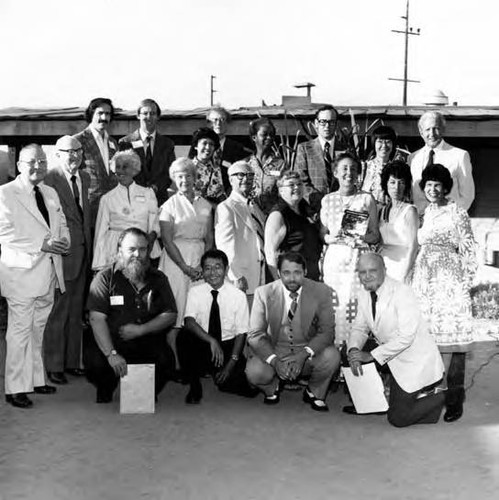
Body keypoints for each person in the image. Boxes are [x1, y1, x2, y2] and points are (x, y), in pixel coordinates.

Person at [0, 144, 70, 408]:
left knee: (37, 329)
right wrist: (43, 244)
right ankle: (15, 387)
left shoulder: (49, 191)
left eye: (42, 161)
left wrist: (64, 241)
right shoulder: (5, 194)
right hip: (20, 274)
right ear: (19, 165)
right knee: (19, 332)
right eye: (32, 162)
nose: (38, 166)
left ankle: (36, 379)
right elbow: (4, 231)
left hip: (49, 272)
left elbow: (61, 224)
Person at [345, 253, 445, 427]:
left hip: (412, 360)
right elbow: (360, 328)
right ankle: (372, 403)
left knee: (398, 419)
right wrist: (354, 351)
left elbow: (406, 337)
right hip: (389, 352)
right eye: (362, 272)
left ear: (385, 270)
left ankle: (445, 395)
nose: (367, 276)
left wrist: (370, 356)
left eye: (372, 271)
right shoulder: (364, 293)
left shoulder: (402, 293)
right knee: (347, 353)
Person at [412, 164, 478, 423]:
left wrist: (466, 282)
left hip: (450, 281)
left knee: (454, 340)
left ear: (446, 187)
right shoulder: (424, 213)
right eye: (428, 185)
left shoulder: (457, 212)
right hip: (425, 280)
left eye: (437, 185)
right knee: (428, 338)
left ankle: (453, 400)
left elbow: (469, 248)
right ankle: (430, 396)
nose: (432, 189)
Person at [84, 228, 177, 403]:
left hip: (146, 340)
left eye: (142, 249)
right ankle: (106, 387)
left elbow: (170, 314)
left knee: (166, 362)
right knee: (95, 361)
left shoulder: (159, 278)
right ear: (119, 251)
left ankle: (146, 389)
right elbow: (96, 318)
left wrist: (142, 329)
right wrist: (111, 354)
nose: (137, 254)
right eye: (131, 249)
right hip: (112, 343)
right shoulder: (104, 278)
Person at [246, 252, 340, 411]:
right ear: (278, 273)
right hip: (276, 351)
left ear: (305, 272)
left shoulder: (322, 291)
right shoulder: (263, 293)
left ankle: (314, 391)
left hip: (308, 353)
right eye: (286, 273)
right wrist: (275, 361)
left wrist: (303, 355)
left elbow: (327, 332)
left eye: (297, 272)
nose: (291, 278)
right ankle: (272, 388)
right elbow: (255, 335)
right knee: (254, 372)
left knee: (332, 356)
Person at [178, 249, 258, 404]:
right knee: (184, 336)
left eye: (217, 267)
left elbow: (242, 333)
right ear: (202, 271)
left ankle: (219, 372)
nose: (212, 272)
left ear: (226, 270)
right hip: (204, 343)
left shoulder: (238, 296)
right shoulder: (195, 292)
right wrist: (211, 341)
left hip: (228, 346)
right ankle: (195, 386)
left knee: (243, 389)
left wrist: (230, 365)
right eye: (207, 268)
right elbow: (189, 321)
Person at [43, 136, 92, 385]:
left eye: (77, 151)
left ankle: (73, 362)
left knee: (76, 311)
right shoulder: (49, 178)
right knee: (58, 311)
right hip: (62, 253)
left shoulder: (84, 177)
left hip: (83, 251)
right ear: (57, 154)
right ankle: (54, 365)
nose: (73, 155)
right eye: (67, 151)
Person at [159, 158, 214, 371]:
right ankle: (175, 365)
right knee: (176, 313)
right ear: (174, 179)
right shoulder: (169, 205)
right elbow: (166, 239)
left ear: (194, 177)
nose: (184, 180)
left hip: (199, 259)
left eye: (188, 175)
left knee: (198, 313)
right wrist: (184, 266)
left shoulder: (205, 204)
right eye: (179, 176)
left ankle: (197, 364)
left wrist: (203, 265)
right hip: (175, 262)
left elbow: (209, 237)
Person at [320, 152, 379, 344]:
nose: (349, 173)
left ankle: (353, 352)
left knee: (355, 305)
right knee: (335, 305)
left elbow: (376, 235)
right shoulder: (328, 200)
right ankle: (335, 352)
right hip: (335, 260)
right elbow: (323, 233)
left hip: (356, 259)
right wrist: (331, 237)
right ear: (335, 172)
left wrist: (360, 236)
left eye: (353, 169)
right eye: (344, 168)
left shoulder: (366, 199)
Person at [92, 150, 160, 271]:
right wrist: (99, 264)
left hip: (143, 249)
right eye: (118, 167)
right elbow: (100, 233)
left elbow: (155, 223)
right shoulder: (107, 198)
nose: (120, 171)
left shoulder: (148, 193)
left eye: (125, 167)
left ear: (134, 169)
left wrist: (151, 237)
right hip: (116, 251)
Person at [215, 161, 265, 306]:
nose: (246, 178)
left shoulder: (255, 206)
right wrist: (235, 275)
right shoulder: (226, 207)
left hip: (260, 273)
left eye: (250, 175)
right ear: (231, 179)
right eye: (240, 175)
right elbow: (224, 245)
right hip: (241, 277)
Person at [408, 110, 475, 214]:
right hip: (420, 223)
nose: (432, 134)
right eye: (427, 129)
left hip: (448, 221)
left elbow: (468, 195)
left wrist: (453, 217)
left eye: (436, 128)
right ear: (421, 132)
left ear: (443, 130)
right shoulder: (412, 158)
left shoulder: (460, 156)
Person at [264, 171, 322, 281]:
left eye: (299, 184)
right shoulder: (278, 215)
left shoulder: (306, 210)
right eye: (291, 185)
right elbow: (270, 253)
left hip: (310, 277)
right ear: (281, 190)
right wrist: (278, 282)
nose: (296, 187)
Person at [118, 98, 176, 206]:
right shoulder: (125, 143)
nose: (149, 117)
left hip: (159, 201)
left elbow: (170, 173)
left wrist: (156, 187)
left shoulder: (167, 144)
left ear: (158, 116)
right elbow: (122, 172)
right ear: (138, 116)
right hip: (132, 201)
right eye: (145, 113)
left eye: (153, 113)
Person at [74, 97, 119, 227]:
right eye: (100, 113)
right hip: (88, 209)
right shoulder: (78, 141)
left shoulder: (113, 143)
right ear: (91, 114)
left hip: (112, 210)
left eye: (108, 114)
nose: (104, 117)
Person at [378, 160, 418, 282]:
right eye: (392, 182)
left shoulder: (410, 211)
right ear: (386, 184)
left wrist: (405, 274)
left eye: (401, 183)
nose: (396, 187)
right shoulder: (382, 210)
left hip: (402, 266)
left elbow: (414, 246)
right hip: (383, 265)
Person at [295, 105, 339, 213]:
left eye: (331, 122)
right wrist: (322, 203)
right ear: (316, 123)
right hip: (313, 210)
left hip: (339, 209)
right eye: (323, 121)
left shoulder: (346, 149)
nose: (327, 126)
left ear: (336, 124)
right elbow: (301, 181)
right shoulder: (304, 149)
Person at [246, 117, 286, 215]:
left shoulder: (280, 165)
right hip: (250, 216)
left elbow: (285, 193)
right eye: (264, 134)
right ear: (254, 137)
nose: (269, 138)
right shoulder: (246, 164)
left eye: (271, 135)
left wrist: (274, 213)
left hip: (273, 217)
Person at [206, 107, 250, 193]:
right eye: (215, 120)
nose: (218, 123)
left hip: (228, 196)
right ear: (208, 124)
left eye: (222, 120)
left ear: (227, 124)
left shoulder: (237, 148)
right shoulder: (201, 147)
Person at [188, 127, 226, 204]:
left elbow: (220, 194)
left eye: (211, 144)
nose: (208, 147)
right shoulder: (187, 167)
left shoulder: (216, 169)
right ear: (196, 146)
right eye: (204, 143)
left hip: (210, 211)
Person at [361, 125, 397, 205]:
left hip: (388, 214)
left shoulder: (396, 169)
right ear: (374, 143)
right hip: (367, 213)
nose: (384, 146)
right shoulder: (364, 167)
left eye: (388, 142)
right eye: (380, 141)